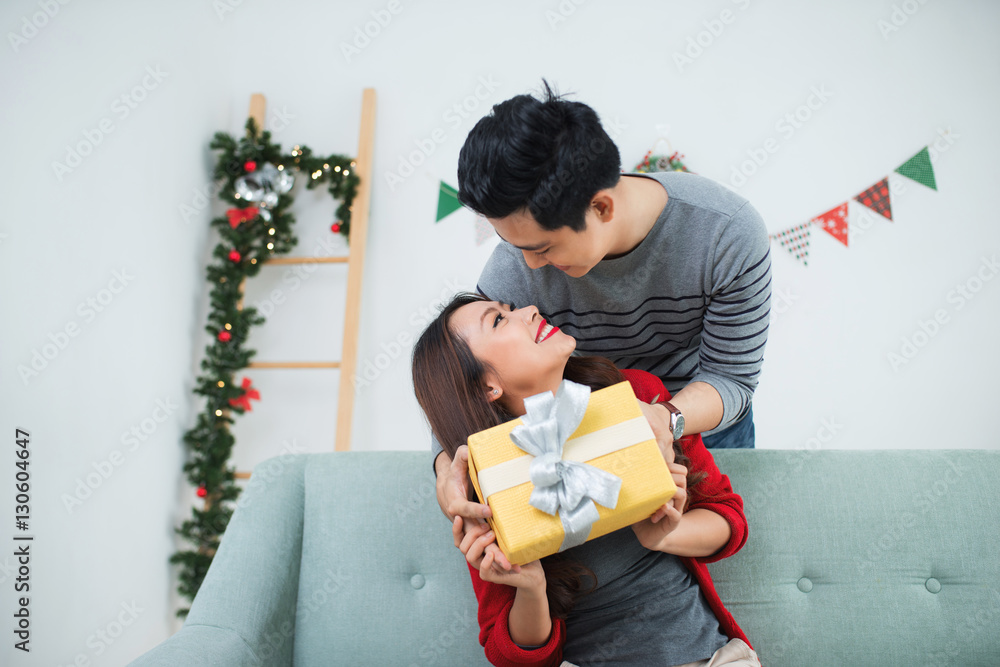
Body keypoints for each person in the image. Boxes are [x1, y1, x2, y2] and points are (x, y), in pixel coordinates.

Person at [433, 80, 771, 535]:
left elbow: (732, 379)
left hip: (705, 424)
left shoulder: (726, 234)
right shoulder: (514, 267)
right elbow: (463, 378)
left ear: (602, 207)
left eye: (543, 247)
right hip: (583, 440)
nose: (528, 265)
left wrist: (665, 418)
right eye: (512, 244)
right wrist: (444, 468)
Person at [412, 293, 760, 667]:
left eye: (511, 310)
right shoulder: (486, 486)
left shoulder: (637, 397)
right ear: (486, 387)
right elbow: (509, 655)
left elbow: (729, 518)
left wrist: (666, 535)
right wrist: (530, 588)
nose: (530, 311)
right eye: (498, 320)